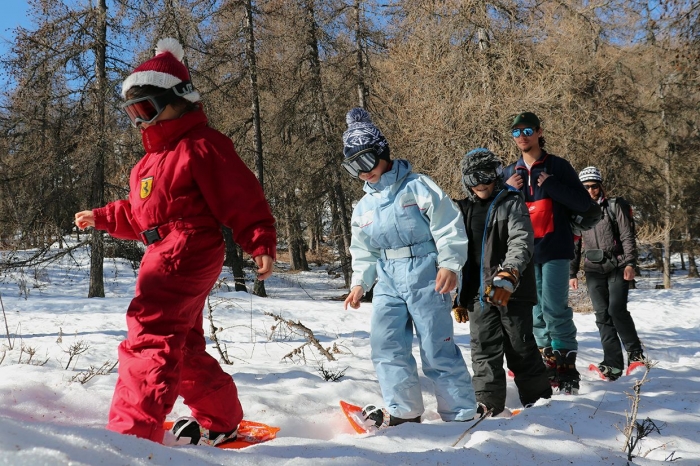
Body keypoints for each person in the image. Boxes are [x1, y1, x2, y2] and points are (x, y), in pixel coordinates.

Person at [74, 38, 276, 446]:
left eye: (146, 109)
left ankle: (132, 435)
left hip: (186, 247)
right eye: (132, 114)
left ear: (179, 99)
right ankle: (222, 418)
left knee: (151, 333)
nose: (140, 122)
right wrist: (103, 217)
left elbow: (239, 193)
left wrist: (258, 238)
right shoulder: (147, 164)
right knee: (181, 344)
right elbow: (139, 215)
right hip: (163, 249)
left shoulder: (201, 145)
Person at [341, 107, 482, 427]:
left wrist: (449, 263)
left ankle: (460, 414)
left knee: (436, 347)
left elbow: (448, 224)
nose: (363, 173)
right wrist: (360, 282)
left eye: (365, 161)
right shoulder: (364, 206)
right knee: (386, 343)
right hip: (388, 277)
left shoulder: (417, 186)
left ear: (382, 153)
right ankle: (404, 412)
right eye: (353, 167)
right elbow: (363, 249)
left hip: (426, 274)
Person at [453, 148, 552, 416]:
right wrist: (459, 298)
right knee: (483, 349)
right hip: (477, 294)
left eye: (486, 175)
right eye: (473, 177)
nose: (480, 183)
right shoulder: (462, 210)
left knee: (519, 346)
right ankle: (488, 402)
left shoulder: (511, 202)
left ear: (497, 174)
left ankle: (538, 399)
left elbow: (520, 240)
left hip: (510, 290)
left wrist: (510, 272)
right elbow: (458, 254)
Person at [503, 112, 590, 395]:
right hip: (525, 254)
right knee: (536, 313)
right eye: (516, 132)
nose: (522, 136)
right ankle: (548, 365)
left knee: (554, 308)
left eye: (527, 130)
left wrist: (551, 185)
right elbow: (496, 213)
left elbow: (584, 204)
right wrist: (506, 190)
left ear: (540, 132)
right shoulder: (509, 172)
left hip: (555, 248)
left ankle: (566, 370)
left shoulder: (557, 166)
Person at [570, 166, 646, 380]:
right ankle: (612, 364)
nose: (590, 191)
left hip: (618, 265)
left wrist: (630, 263)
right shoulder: (578, 211)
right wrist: (572, 272)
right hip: (593, 270)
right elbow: (574, 244)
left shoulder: (614, 206)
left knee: (616, 310)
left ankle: (636, 355)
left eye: (594, 186)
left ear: (600, 185)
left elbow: (627, 236)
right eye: (585, 187)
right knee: (602, 315)